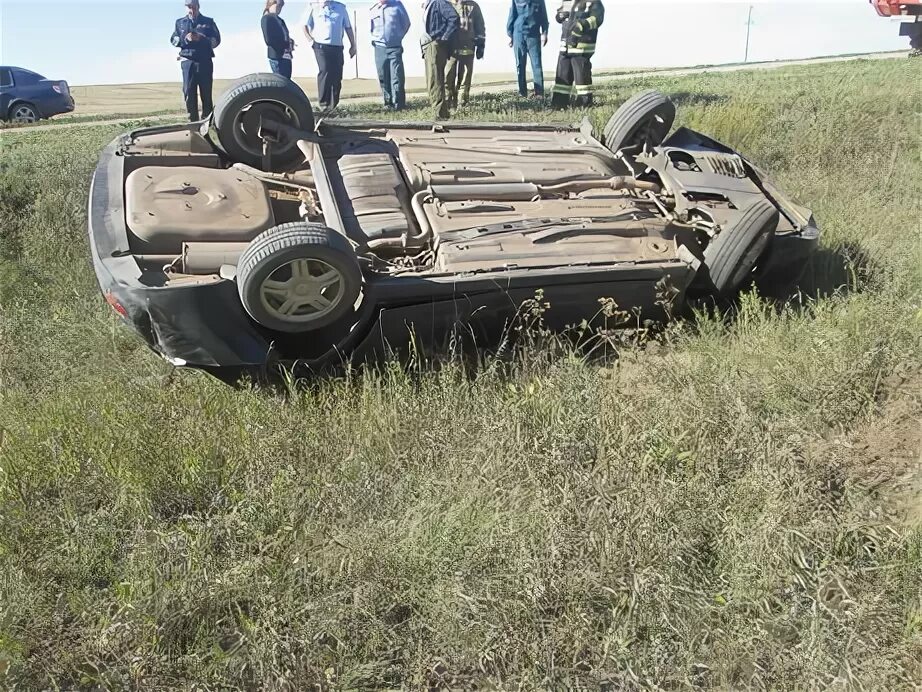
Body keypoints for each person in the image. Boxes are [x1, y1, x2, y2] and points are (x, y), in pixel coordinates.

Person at [170, 0, 221, 121]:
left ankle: (207, 122)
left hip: (204, 61)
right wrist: (185, 39)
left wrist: (201, 39)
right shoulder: (180, 23)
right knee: (189, 93)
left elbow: (216, 40)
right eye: (189, 7)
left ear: (198, 6)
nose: (191, 10)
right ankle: (192, 122)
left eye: (194, 7)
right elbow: (173, 40)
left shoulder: (208, 22)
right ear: (186, 7)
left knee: (206, 93)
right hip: (187, 61)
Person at [304, 0, 357, 109]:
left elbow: (348, 27)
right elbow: (304, 26)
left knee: (336, 74)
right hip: (320, 46)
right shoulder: (313, 6)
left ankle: (333, 105)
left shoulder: (340, 8)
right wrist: (311, 40)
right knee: (325, 70)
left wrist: (353, 45)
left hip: (337, 46)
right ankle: (324, 104)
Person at [551, 0, 603, 109]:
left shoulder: (594, 2)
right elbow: (559, 17)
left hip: (581, 46)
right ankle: (559, 103)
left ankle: (584, 103)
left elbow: (597, 19)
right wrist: (559, 16)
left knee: (581, 76)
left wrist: (581, 25)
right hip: (565, 46)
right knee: (562, 75)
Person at [369, 0, 411, 110]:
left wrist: (398, 37)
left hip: (394, 47)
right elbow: (371, 28)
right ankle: (387, 103)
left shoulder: (397, 5)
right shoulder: (373, 9)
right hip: (379, 47)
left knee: (396, 76)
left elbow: (406, 23)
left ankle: (398, 104)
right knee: (383, 75)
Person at [421, 0, 459, 119]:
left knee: (435, 80)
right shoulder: (430, 4)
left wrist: (443, 38)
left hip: (434, 44)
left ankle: (440, 114)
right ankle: (441, 113)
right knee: (433, 80)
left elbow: (454, 18)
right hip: (430, 44)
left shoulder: (439, 3)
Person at [445, 0, 485, 109]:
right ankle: (448, 103)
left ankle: (462, 104)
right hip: (450, 48)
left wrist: (481, 45)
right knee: (448, 75)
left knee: (465, 76)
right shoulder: (446, 4)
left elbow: (480, 26)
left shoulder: (473, 6)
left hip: (468, 46)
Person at [506, 0, 548, 98]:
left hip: (534, 35)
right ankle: (522, 93)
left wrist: (545, 33)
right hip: (518, 34)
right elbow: (512, 15)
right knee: (520, 65)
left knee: (536, 65)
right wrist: (511, 35)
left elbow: (544, 17)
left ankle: (539, 94)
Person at [262, 0, 295, 78]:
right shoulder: (267, 18)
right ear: (271, 4)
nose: (280, 8)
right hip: (277, 56)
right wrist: (285, 44)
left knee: (287, 82)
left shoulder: (280, 20)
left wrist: (290, 42)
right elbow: (269, 40)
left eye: (281, 6)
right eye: (279, 5)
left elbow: (284, 35)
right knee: (281, 83)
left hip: (286, 56)